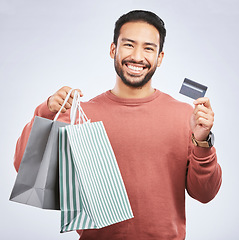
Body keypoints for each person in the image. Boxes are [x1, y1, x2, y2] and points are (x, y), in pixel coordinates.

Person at [13, 10, 222, 240]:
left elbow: (205, 194)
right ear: (113, 49)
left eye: (148, 48)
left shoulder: (186, 116)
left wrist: (202, 142)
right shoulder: (83, 116)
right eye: (129, 45)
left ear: (160, 58)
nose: (137, 56)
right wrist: (46, 111)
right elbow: (24, 165)